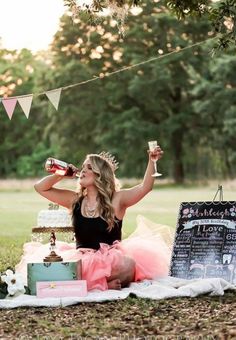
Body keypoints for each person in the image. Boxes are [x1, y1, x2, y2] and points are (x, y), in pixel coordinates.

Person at [17, 145, 173, 291]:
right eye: (83, 167)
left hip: (111, 261)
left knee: (129, 264)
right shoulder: (75, 200)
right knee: (63, 268)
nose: (83, 170)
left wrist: (152, 161)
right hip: (82, 259)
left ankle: (93, 284)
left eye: (89, 168)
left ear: (100, 175)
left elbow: (145, 187)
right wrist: (62, 174)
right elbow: (40, 188)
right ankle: (103, 285)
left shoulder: (117, 199)